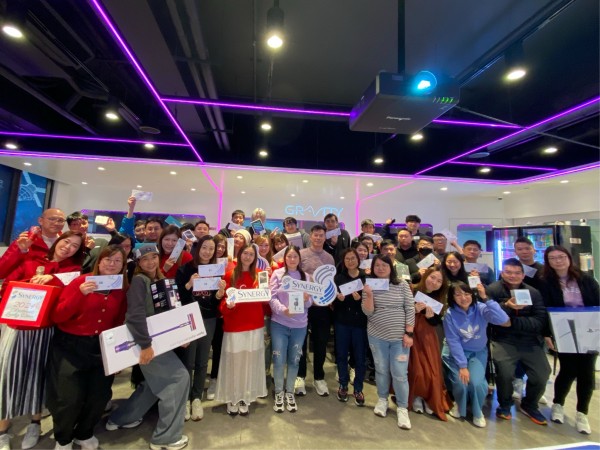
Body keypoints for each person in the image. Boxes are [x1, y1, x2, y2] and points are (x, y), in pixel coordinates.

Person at [0, 231, 85, 450]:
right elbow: (5, 278)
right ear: (58, 241)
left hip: (46, 330)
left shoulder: (73, 271)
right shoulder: (31, 259)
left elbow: (71, 293)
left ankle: (35, 423)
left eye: (75, 246)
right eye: (66, 241)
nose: (68, 247)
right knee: (8, 375)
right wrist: (19, 254)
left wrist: (52, 279)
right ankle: (3, 429)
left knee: (38, 376)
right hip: (17, 326)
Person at [106, 244, 189, 450]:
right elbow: (135, 316)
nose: (150, 262)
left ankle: (119, 418)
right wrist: (145, 345)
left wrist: (180, 336)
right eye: (145, 259)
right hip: (149, 343)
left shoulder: (158, 280)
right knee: (178, 379)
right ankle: (166, 438)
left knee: (153, 386)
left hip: (158, 342)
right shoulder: (139, 281)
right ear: (138, 263)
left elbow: (168, 313)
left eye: (153, 257)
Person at [46, 245, 128, 450]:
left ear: (123, 266)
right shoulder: (80, 282)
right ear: (99, 261)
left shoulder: (120, 288)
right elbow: (58, 316)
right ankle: (63, 439)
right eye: (108, 259)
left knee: (98, 396)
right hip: (70, 346)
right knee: (68, 398)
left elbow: (118, 321)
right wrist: (79, 294)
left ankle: (84, 433)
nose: (112, 264)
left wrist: (118, 354)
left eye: (117, 261)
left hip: (101, 346)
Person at [541, 246, 599, 434]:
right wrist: (547, 333)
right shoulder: (546, 283)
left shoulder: (586, 279)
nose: (558, 261)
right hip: (562, 328)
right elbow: (544, 310)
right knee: (568, 369)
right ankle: (558, 404)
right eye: (552, 258)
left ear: (568, 258)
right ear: (548, 261)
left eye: (561, 257)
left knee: (587, 371)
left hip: (588, 327)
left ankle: (582, 413)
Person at [486, 258, 550, 425]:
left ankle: (530, 404)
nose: (512, 276)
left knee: (542, 374)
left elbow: (540, 320)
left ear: (523, 275)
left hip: (530, 340)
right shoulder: (492, 289)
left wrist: (512, 322)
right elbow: (488, 315)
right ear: (502, 273)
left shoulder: (533, 293)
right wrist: (506, 306)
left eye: (517, 273)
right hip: (503, 339)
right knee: (504, 372)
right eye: (508, 272)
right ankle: (505, 404)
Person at [442, 281, 510, 428]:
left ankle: (477, 411)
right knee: (461, 383)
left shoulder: (481, 308)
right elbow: (453, 342)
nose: (463, 298)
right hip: (457, 354)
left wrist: (486, 299)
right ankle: (460, 405)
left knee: (477, 383)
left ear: (472, 294)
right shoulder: (450, 314)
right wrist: (462, 366)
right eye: (458, 295)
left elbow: (503, 319)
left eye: (466, 294)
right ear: (452, 297)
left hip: (478, 352)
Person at [362, 254, 415, 430]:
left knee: (399, 372)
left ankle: (402, 407)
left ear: (390, 267)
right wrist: (369, 295)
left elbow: (410, 308)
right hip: (376, 336)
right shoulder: (369, 285)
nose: (381, 268)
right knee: (381, 369)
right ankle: (382, 399)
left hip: (400, 338)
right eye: (377, 265)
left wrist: (409, 333)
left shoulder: (402, 284)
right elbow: (367, 312)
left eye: (384, 265)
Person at [176, 235, 226, 422]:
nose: (207, 252)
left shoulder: (216, 271)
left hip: (208, 319)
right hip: (189, 318)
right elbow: (177, 297)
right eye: (204, 247)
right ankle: (185, 398)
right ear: (198, 249)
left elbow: (214, 301)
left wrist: (219, 294)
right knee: (187, 360)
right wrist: (189, 284)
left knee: (202, 360)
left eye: (211, 249)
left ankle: (197, 397)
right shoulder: (185, 269)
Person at [216, 245, 268, 415]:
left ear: (255, 257)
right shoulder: (229, 275)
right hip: (235, 326)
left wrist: (266, 292)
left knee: (250, 361)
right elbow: (223, 305)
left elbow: (265, 301)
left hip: (254, 325)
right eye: (245, 253)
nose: (247, 257)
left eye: (251, 254)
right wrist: (228, 306)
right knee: (235, 362)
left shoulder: (261, 275)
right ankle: (233, 397)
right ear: (239, 255)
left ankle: (246, 396)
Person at [269, 246, 313, 413]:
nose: (292, 259)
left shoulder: (306, 277)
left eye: (295, 256)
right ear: (285, 258)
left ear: (299, 259)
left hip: (299, 325)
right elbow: (272, 297)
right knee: (278, 359)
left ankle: (289, 392)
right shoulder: (277, 274)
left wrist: (307, 299)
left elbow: (310, 303)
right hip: (279, 323)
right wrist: (283, 310)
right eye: (289, 256)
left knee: (294, 360)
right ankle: (279, 392)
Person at [296, 225, 335, 397]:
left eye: (321, 235)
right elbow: (296, 277)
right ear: (310, 236)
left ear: (325, 237)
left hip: (322, 307)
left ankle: (319, 377)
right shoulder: (301, 254)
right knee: (301, 342)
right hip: (304, 305)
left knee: (320, 342)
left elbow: (330, 281)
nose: (318, 238)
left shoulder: (329, 258)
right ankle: (300, 376)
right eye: (315, 235)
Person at [408, 266, 452, 421]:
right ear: (425, 275)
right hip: (411, 332)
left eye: (439, 281)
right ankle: (415, 395)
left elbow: (436, 322)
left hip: (428, 335)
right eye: (432, 277)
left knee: (431, 368)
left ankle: (428, 397)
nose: (434, 282)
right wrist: (414, 309)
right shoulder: (411, 290)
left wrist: (430, 317)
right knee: (415, 368)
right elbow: (400, 312)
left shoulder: (440, 298)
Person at [333, 248, 367, 406]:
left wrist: (361, 299)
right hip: (342, 322)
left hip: (360, 323)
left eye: (353, 258)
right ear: (343, 261)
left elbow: (372, 301)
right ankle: (343, 385)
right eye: (347, 259)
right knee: (341, 355)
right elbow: (332, 301)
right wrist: (337, 299)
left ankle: (358, 388)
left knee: (360, 357)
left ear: (358, 259)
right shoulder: (338, 278)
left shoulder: (365, 278)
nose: (350, 261)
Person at [0, 208, 66, 279]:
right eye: (52, 219)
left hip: (53, 284)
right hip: (22, 284)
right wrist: (22, 250)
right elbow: (1, 271)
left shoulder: (67, 244)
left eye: (60, 220)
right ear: (40, 221)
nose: (56, 223)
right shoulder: (26, 240)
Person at [206, 234, 229, 400]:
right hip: (205, 312)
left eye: (222, 247)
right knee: (203, 350)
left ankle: (214, 378)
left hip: (221, 313)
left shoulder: (229, 265)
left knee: (218, 348)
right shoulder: (204, 264)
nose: (219, 249)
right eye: (217, 246)